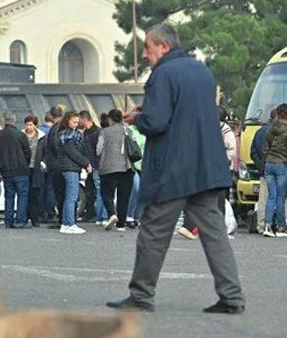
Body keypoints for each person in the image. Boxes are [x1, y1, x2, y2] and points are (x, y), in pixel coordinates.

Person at [106, 23, 244, 314]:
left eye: (147, 47)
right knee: (215, 232)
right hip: (208, 166)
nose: (145, 55)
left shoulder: (163, 74)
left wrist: (136, 119)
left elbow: (157, 122)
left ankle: (141, 295)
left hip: (174, 169)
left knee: (154, 231)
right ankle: (232, 296)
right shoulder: (202, 72)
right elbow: (187, 113)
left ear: (163, 46)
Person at [95, 108, 135, 231]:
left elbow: (98, 150)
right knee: (124, 196)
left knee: (106, 193)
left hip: (108, 168)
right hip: (126, 168)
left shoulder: (104, 132)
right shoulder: (128, 131)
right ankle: (121, 224)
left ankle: (112, 214)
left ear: (110, 119)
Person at [51, 111, 91, 234]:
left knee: (69, 197)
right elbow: (73, 152)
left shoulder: (63, 134)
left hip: (67, 167)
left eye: (77, 122)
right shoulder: (69, 135)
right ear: (67, 120)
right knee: (72, 197)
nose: (76, 124)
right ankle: (70, 223)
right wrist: (86, 163)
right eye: (74, 122)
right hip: (71, 167)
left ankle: (65, 224)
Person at [260, 104, 287, 237]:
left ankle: (267, 226)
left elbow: (266, 147)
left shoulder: (271, 128)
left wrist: (264, 163)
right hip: (283, 164)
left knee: (271, 196)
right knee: (281, 197)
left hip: (269, 164)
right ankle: (281, 227)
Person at [0, 111, 31, 229]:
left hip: (6, 170)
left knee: (9, 195)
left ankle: (8, 221)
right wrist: (25, 164)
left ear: (5, 121)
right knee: (22, 195)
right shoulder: (20, 135)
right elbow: (27, 152)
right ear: (14, 121)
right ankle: (20, 220)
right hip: (20, 170)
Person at [124, 106, 146, 228]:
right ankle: (130, 215)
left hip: (145, 165)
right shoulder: (129, 130)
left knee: (143, 191)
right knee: (136, 189)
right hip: (132, 164)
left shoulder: (146, 130)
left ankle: (139, 216)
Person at [22, 115, 45, 228]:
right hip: (24, 168)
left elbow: (46, 152)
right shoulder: (21, 135)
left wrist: (43, 164)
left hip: (36, 168)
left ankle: (35, 219)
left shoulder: (41, 137)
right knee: (24, 193)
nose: (28, 127)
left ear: (35, 125)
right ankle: (24, 217)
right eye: (26, 124)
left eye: (30, 124)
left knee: (35, 194)